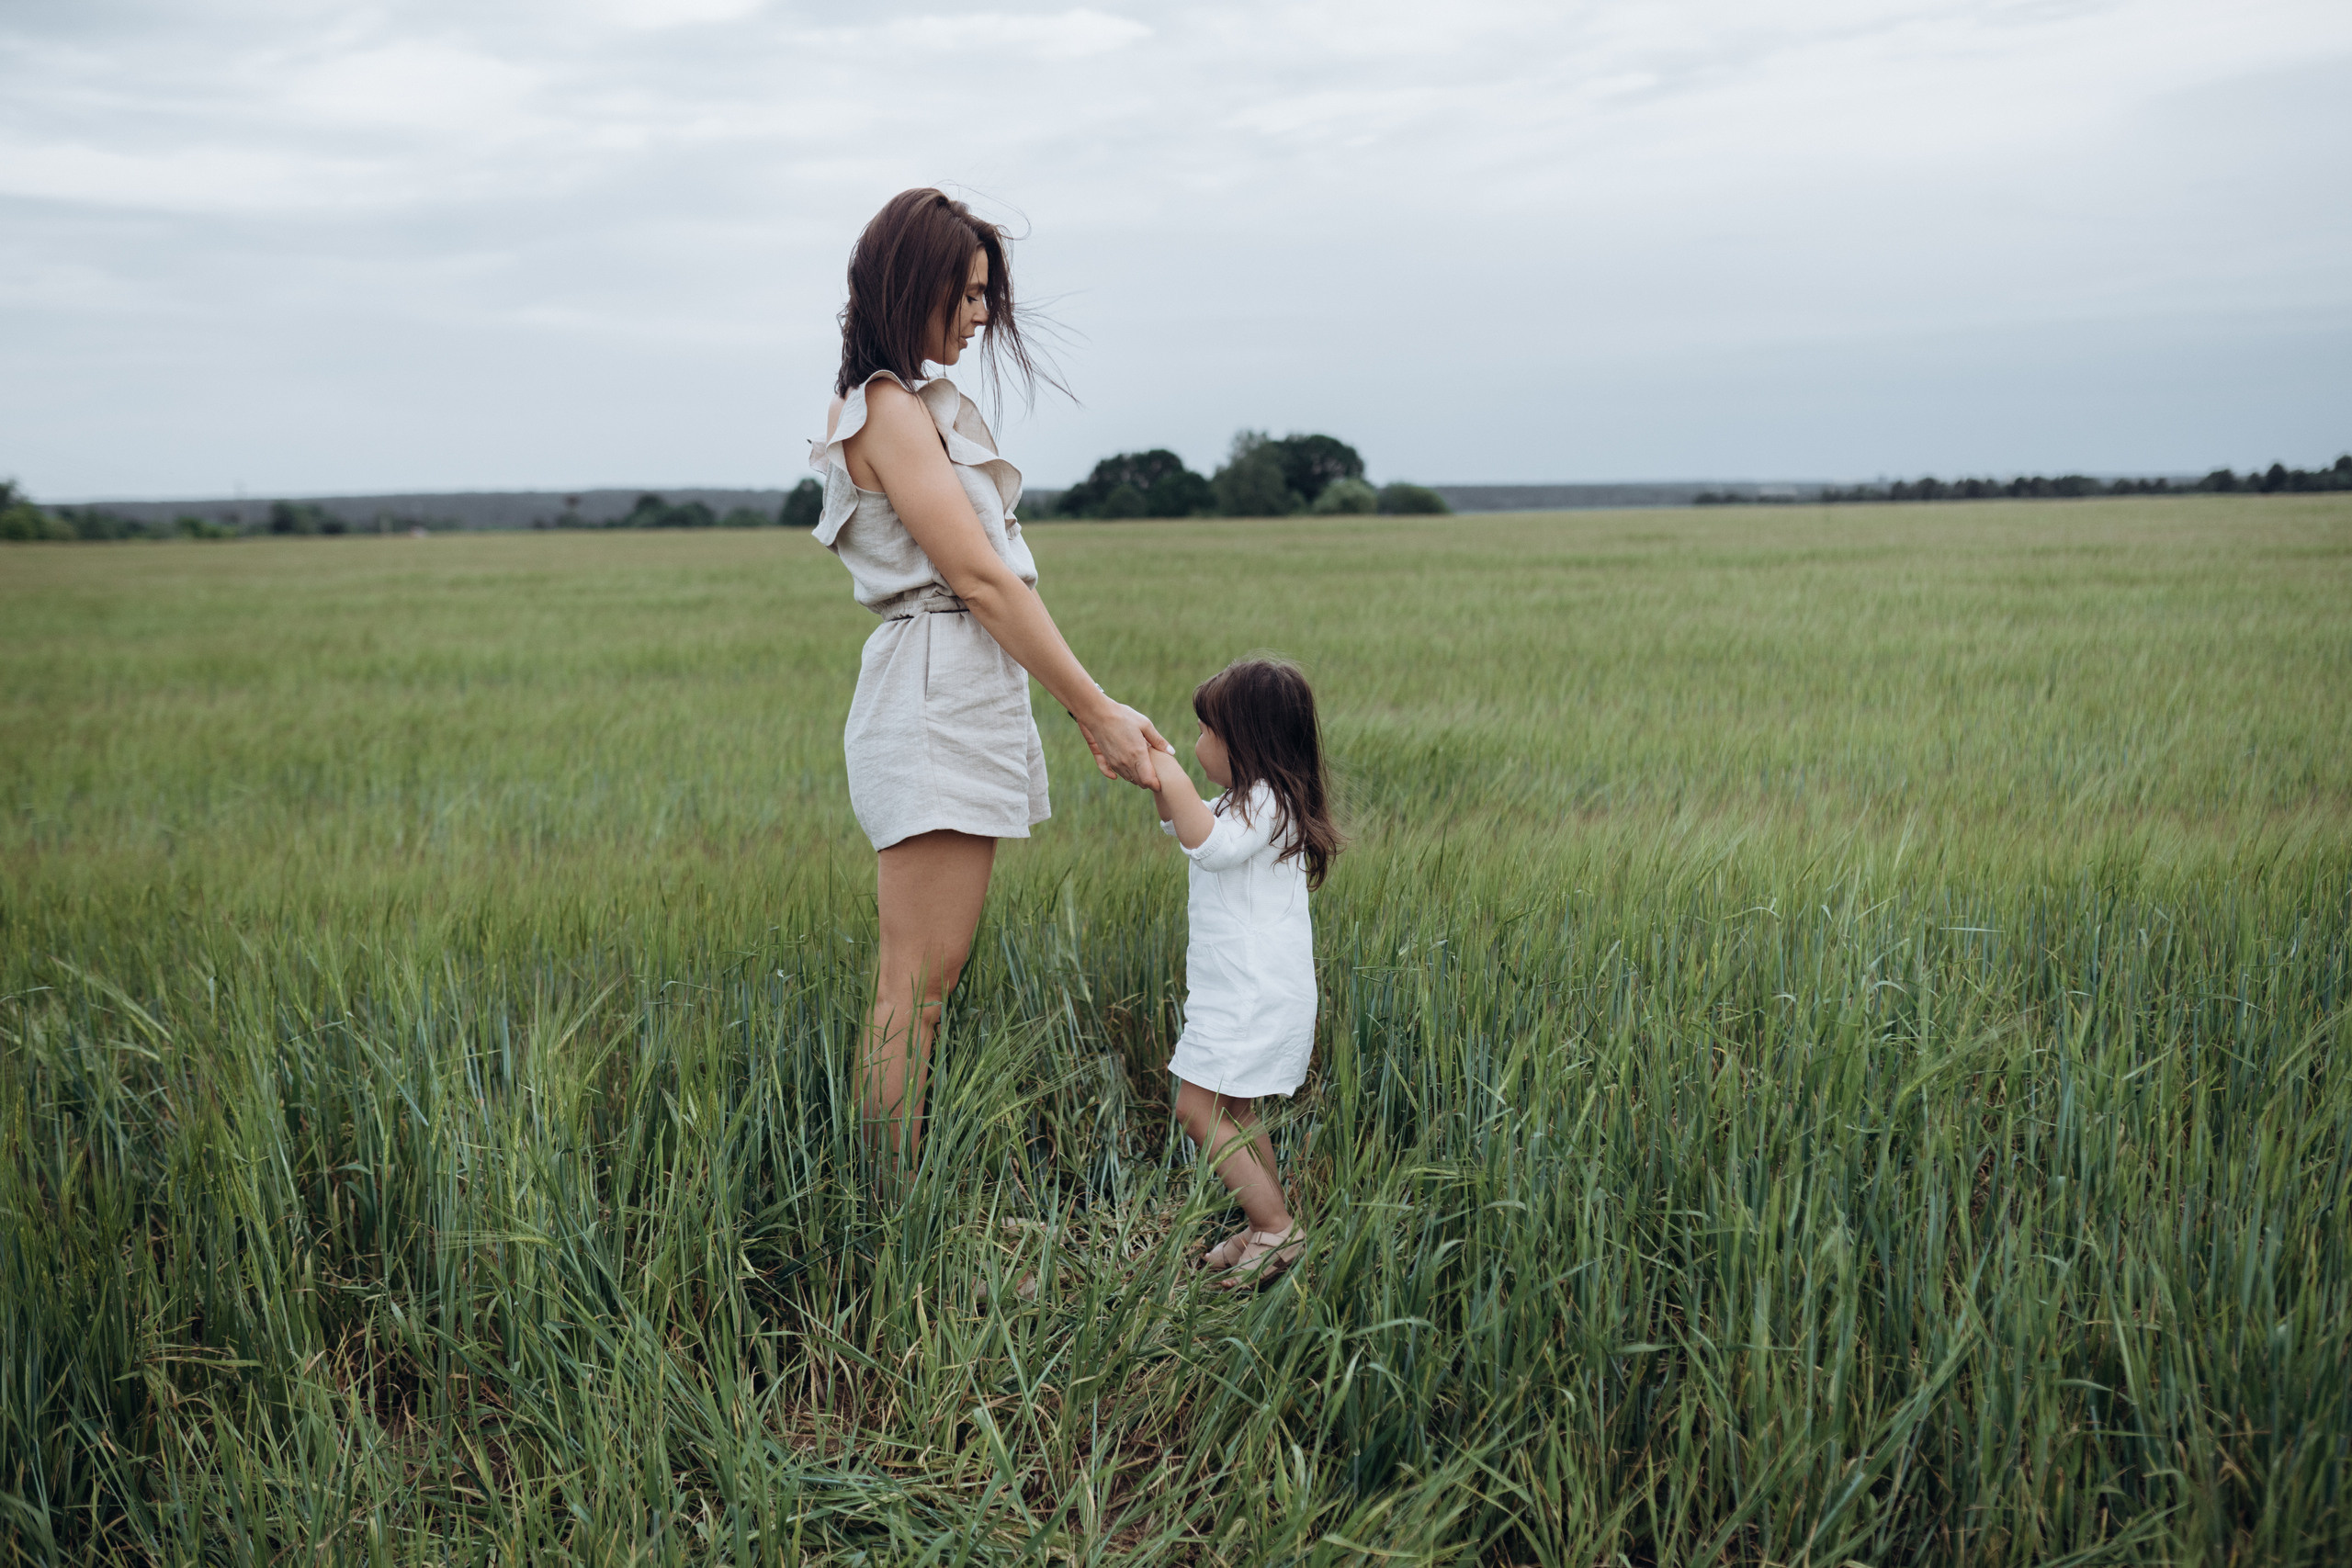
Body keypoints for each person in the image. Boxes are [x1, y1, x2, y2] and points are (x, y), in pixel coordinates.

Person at [810, 188, 1169, 1184]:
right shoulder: (886, 409)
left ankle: (890, 1205)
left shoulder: (903, 406)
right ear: (913, 282)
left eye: (985, 296)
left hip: (953, 684)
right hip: (933, 690)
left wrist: (1082, 704)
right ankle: (888, 1218)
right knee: (915, 989)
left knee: (924, 984)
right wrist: (1093, 708)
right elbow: (977, 578)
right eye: (967, 293)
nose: (979, 316)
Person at [1146, 657, 1342, 1286]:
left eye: (1207, 731)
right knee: (1234, 1104)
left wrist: (1167, 772)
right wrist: (1156, 773)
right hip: (1240, 990)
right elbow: (1187, 825)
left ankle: (1279, 1228)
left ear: (1245, 742)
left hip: (1249, 996)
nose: (1198, 743)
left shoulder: (1267, 801)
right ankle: (1266, 1224)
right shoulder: (1249, 800)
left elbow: (1209, 843)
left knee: (1195, 1107)